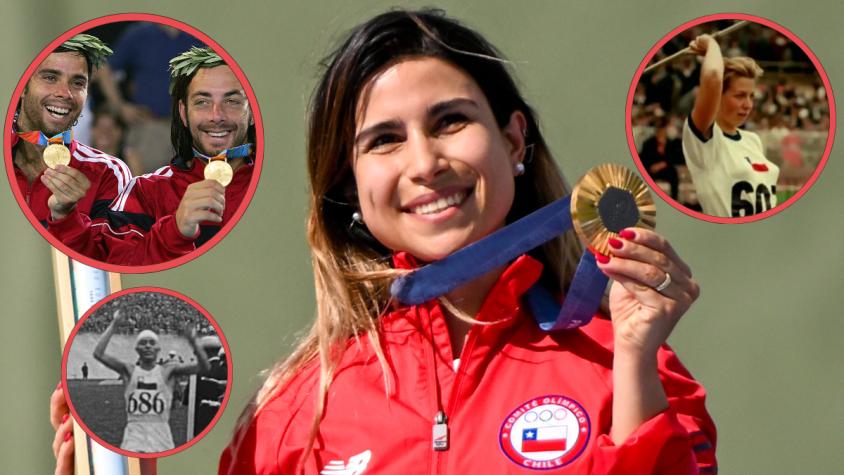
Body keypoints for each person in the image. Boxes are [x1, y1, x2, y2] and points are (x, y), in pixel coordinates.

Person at [220, 9, 715, 474]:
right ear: (349, 184)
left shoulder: (630, 364)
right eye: (384, 139)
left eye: (450, 121)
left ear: (514, 140)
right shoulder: (292, 416)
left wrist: (633, 364)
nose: (425, 163)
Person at [49, 46, 257, 265]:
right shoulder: (145, 192)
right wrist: (175, 231)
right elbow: (113, 268)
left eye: (232, 101)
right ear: (183, 113)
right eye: (202, 102)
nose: (217, 115)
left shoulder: (286, 185)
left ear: (251, 112)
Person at [10, 34, 131, 232]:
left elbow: (108, 256)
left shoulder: (107, 173)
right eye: (50, 78)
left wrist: (65, 218)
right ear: (22, 86)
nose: (65, 93)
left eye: (77, 83)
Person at [682, 33, 780, 218]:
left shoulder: (753, 140)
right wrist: (710, 43)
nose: (748, 104)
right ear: (719, 96)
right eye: (740, 96)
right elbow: (712, 76)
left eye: (751, 96)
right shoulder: (704, 137)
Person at [92, 309, 210, 453]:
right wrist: (114, 325)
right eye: (143, 343)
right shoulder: (128, 370)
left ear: (158, 348)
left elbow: (203, 367)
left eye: (152, 343)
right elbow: (98, 353)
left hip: (161, 436)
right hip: (134, 435)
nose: (148, 346)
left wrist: (193, 341)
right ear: (136, 348)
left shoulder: (168, 370)